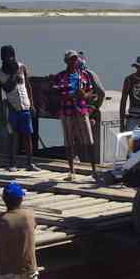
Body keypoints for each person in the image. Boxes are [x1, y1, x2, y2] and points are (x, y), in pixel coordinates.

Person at [53, 50, 98, 182]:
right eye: (71, 59)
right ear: (66, 61)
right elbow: (56, 94)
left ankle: (94, 171)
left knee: (89, 139)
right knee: (68, 141)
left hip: (82, 110)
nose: (74, 61)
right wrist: (72, 95)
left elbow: (90, 90)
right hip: (67, 112)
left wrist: (84, 95)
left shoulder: (83, 75)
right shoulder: (60, 76)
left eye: (75, 59)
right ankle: (71, 171)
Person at [0, 45, 40, 172]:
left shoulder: (22, 67)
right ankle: (12, 163)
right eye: (6, 57)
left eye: (11, 56)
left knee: (27, 136)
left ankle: (30, 163)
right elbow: (1, 94)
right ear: (2, 58)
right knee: (12, 137)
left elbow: (28, 86)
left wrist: (32, 105)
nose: (10, 59)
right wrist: (2, 113)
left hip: (25, 107)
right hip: (12, 109)